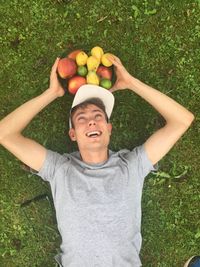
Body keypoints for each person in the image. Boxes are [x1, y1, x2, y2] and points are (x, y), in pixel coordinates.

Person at [0, 55, 195, 267]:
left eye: (98, 115)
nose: (91, 120)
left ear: (109, 130)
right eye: (81, 119)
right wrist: (51, 93)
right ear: (73, 134)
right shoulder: (60, 169)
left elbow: (182, 120)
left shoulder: (131, 165)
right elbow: (5, 134)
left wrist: (131, 83)